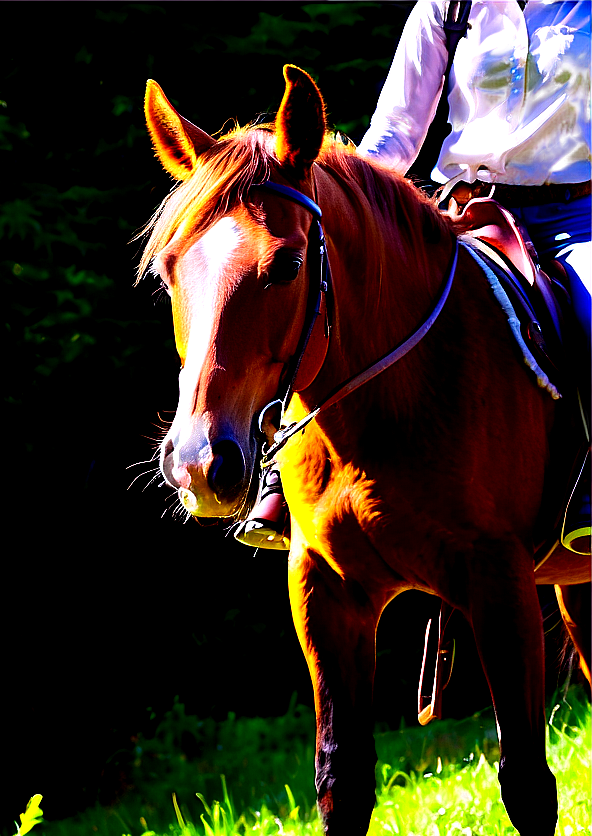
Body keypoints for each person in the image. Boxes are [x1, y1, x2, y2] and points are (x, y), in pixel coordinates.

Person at [238, 0, 591, 554]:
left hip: (576, 214)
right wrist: (347, 200)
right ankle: (286, 473)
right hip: (463, 211)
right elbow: (398, 128)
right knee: (331, 290)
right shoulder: (445, 7)